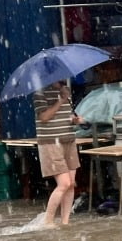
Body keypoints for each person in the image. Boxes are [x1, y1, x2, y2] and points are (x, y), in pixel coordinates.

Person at [34, 80, 85, 227]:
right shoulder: (39, 93)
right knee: (64, 183)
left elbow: (66, 116)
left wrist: (74, 120)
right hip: (51, 142)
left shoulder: (66, 90)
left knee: (71, 185)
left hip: (68, 140)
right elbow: (44, 117)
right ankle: (48, 221)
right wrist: (60, 99)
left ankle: (65, 222)